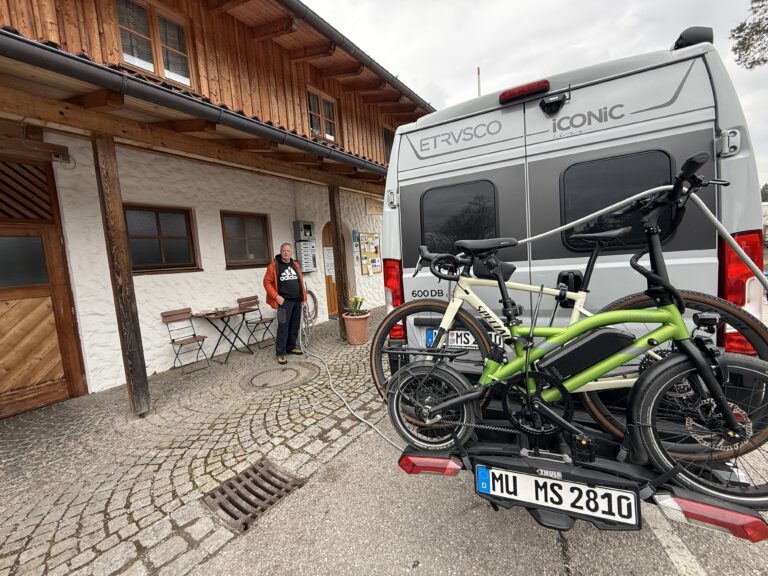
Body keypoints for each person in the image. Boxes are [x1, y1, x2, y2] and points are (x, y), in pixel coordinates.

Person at [263, 243, 307, 364]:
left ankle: (291, 347)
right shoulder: (273, 266)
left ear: (291, 252)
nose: (286, 253)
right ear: (281, 251)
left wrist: (304, 298)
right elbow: (266, 283)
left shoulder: (295, 264)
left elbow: (300, 282)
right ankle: (281, 353)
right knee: (283, 327)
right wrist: (276, 296)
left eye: (288, 251)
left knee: (294, 326)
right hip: (284, 303)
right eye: (284, 250)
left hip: (297, 301)